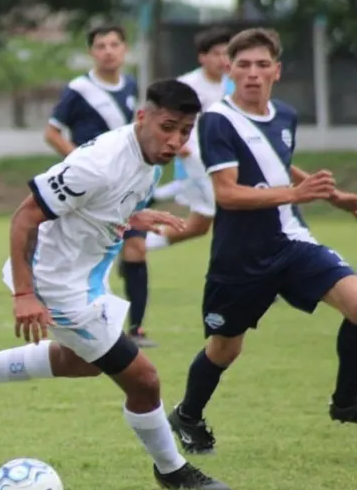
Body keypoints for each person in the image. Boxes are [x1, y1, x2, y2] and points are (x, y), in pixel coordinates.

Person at [0, 80, 231, 490]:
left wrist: (131, 218)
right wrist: (24, 294)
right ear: (142, 117)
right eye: (167, 127)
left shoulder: (148, 160)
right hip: (57, 285)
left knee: (86, 362)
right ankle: (172, 469)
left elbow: (97, 206)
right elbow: (24, 217)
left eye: (185, 131)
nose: (175, 141)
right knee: (144, 381)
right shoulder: (98, 163)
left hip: (86, 277)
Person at [166, 28, 357, 456]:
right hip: (241, 257)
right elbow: (227, 194)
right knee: (224, 348)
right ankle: (188, 415)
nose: (253, 73)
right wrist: (295, 194)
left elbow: (280, 164)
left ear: (277, 70)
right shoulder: (217, 120)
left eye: (262, 64)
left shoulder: (285, 115)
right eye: (244, 65)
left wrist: (335, 197)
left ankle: (348, 401)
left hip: (292, 242)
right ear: (229, 70)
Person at [43, 24, 155, 347]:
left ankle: (136, 328)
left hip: (128, 185)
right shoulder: (79, 90)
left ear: (124, 49)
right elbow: (51, 132)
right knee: (88, 254)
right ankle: (78, 318)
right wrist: (79, 160)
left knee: (137, 248)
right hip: (90, 189)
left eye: (114, 45)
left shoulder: (130, 85)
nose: (108, 51)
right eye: (101, 46)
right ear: (91, 52)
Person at [148, 27, 233, 251]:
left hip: (222, 160)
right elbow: (161, 118)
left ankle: (136, 246)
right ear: (202, 57)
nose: (223, 59)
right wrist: (181, 147)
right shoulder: (187, 85)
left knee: (199, 225)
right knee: (227, 208)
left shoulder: (231, 84)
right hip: (195, 161)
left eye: (227, 53)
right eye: (217, 54)